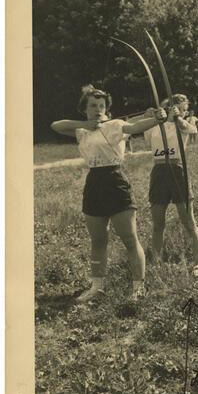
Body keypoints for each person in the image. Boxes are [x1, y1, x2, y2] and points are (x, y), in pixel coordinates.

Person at [50, 85, 166, 302]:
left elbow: (136, 126)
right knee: (98, 240)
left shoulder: (116, 125)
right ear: (84, 109)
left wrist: (159, 118)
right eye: (93, 106)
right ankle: (97, 287)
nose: (98, 109)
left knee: (130, 238)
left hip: (115, 181)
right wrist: (85, 124)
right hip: (94, 183)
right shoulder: (81, 131)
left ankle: (138, 288)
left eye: (102, 106)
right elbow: (56, 125)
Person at [143, 94, 198, 276]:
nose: (183, 113)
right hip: (159, 172)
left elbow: (191, 129)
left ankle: (197, 263)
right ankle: (156, 262)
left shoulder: (183, 124)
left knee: (188, 221)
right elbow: (144, 132)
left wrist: (177, 118)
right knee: (158, 222)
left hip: (178, 171)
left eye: (184, 110)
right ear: (168, 107)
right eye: (179, 108)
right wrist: (151, 117)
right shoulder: (154, 126)